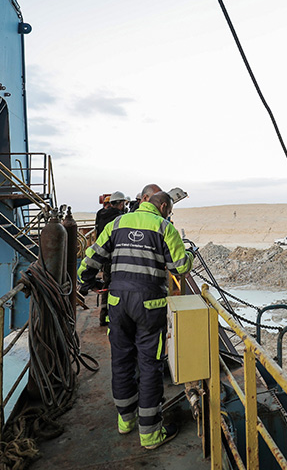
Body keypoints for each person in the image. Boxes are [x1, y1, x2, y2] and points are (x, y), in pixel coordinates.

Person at [78, 190, 193, 450]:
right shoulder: (164, 227)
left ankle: (125, 421)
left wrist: (86, 281)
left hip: (118, 302)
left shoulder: (117, 223)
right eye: (169, 210)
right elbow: (180, 267)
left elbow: (91, 258)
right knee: (150, 364)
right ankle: (151, 433)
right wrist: (191, 256)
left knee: (121, 360)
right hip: (149, 305)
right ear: (163, 206)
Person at [93, 191, 129, 326]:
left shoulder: (100, 214)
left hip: (103, 254)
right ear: (120, 204)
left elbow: (98, 232)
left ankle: (103, 316)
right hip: (116, 256)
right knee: (118, 285)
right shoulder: (120, 217)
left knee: (106, 284)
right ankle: (116, 316)